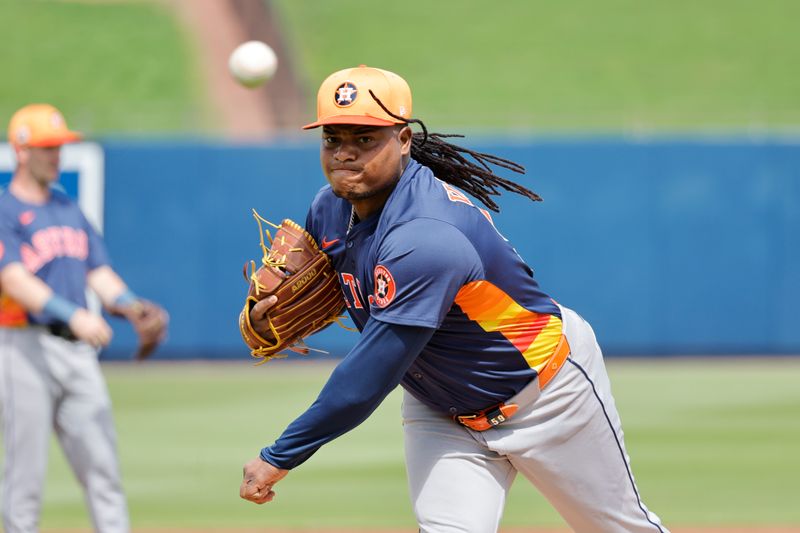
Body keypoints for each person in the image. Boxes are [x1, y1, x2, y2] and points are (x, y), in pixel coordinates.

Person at [240, 66, 669, 532]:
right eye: (333, 138)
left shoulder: (427, 238)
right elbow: (361, 286)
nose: (345, 153)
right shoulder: (329, 207)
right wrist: (273, 321)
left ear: (403, 139)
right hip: (441, 409)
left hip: (545, 394)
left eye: (365, 138)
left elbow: (368, 376)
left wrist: (281, 455)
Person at [0, 104, 167, 533]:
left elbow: (98, 271)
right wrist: (73, 314)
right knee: (25, 478)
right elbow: (14, 280)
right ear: (21, 151)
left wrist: (132, 306)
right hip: (22, 347)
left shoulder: (67, 208)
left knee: (103, 470)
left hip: (77, 352)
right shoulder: (5, 211)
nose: (56, 156)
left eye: (59, 147)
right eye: (46, 147)